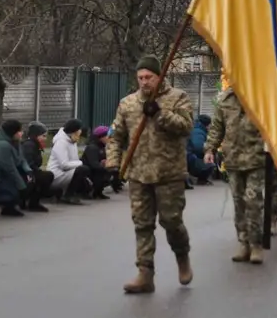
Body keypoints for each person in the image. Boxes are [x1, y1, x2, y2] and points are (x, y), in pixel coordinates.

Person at [105, 55, 195, 294]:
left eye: (149, 77)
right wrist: (114, 164)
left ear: (159, 77)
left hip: (169, 173)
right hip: (138, 174)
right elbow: (116, 136)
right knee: (142, 224)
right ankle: (145, 273)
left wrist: (160, 114)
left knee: (171, 221)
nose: (144, 82)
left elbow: (186, 127)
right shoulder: (128, 103)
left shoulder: (178, 98)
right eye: (141, 77)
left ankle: (182, 256)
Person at [206, 85, 269, 262]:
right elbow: (217, 127)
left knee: (253, 201)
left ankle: (256, 244)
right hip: (233, 158)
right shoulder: (225, 99)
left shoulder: (261, 97)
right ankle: (243, 242)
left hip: (255, 158)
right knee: (238, 202)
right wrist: (209, 149)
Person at [0, 120, 29, 217]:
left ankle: (11, 205)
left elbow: (21, 159)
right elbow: (9, 168)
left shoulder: (14, 142)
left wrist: (28, 171)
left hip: (5, 176)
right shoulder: (2, 145)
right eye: (19, 131)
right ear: (12, 132)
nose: (21, 133)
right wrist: (22, 186)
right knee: (15, 189)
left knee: (27, 180)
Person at [49, 119, 91, 205]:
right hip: (57, 174)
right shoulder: (61, 142)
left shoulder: (72, 140)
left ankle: (70, 193)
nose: (80, 131)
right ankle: (68, 195)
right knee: (83, 169)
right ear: (74, 131)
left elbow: (73, 160)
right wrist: (81, 163)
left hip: (67, 172)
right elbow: (64, 165)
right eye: (79, 129)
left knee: (87, 183)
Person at [19, 121, 54, 211]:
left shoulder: (34, 145)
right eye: (43, 136)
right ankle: (33, 201)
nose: (45, 139)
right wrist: (37, 171)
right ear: (36, 135)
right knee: (47, 176)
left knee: (45, 176)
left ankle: (33, 201)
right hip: (25, 174)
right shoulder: (29, 145)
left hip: (29, 172)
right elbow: (28, 162)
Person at [81, 126, 115, 199]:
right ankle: (91, 191)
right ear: (101, 137)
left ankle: (99, 192)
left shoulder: (102, 147)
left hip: (97, 171)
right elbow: (94, 164)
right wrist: (106, 166)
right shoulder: (92, 147)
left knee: (113, 171)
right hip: (90, 173)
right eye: (107, 136)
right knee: (103, 172)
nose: (109, 138)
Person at [186, 115, 214, 186]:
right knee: (210, 161)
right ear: (207, 125)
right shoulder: (199, 132)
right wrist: (205, 155)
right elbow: (198, 147)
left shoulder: (194, 129)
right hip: (191, 159)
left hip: (187, 157)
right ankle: (201, 179)